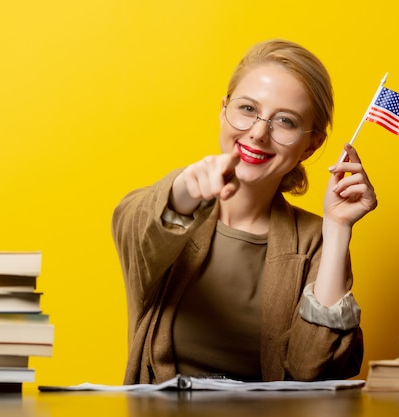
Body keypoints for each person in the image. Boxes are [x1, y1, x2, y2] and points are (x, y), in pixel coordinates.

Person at [112, 39, 377, 384]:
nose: (258, 133)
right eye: (248, 109)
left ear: (310, 145)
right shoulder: (162, 210)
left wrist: (338, 229)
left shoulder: (314, 240)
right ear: (223, 110)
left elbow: (315, 369)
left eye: (285, 120)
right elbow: (137, 227)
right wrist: (186, 190)